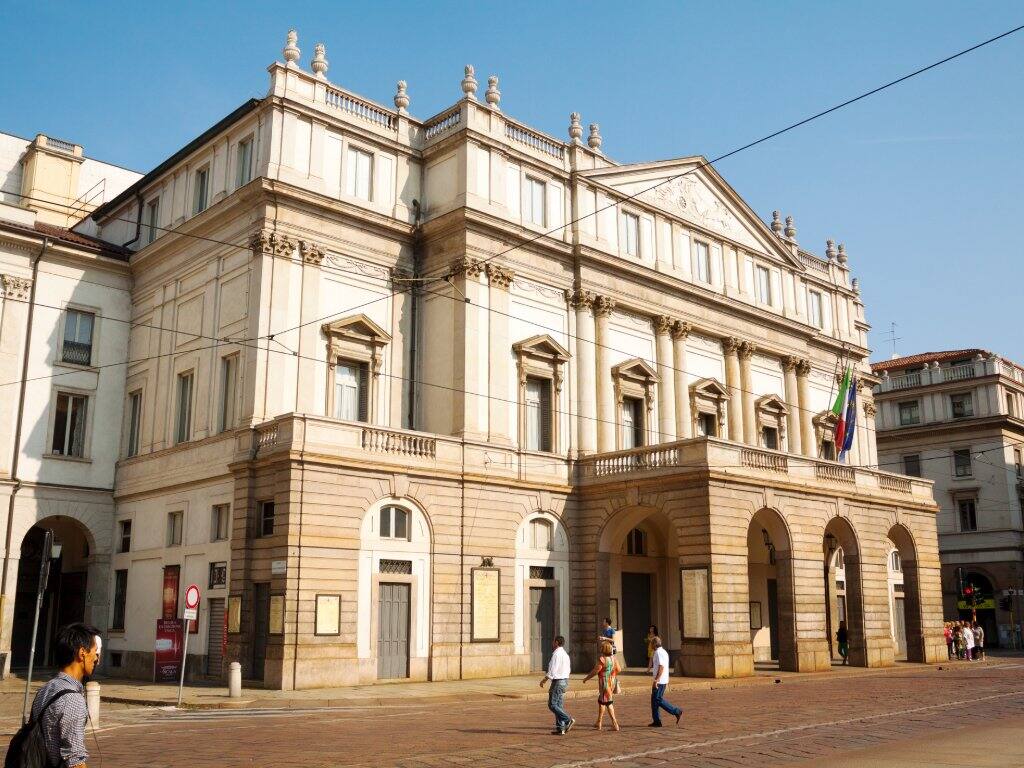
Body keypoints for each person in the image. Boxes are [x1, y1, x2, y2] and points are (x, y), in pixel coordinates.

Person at [29, 622, 100, 768]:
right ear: (82, 653)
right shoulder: (72, 699)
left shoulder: (46, 688)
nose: (96, 659)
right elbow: (75, 760)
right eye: (95, 652)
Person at [539, 635, 574, 735]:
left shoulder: (556, 654)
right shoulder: (565, 654)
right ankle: (561, 728)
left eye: (553, 641)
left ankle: (568, 719)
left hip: (558, 681)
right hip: (565, 680)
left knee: (552, 705)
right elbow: (568, 669)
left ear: (557, 642)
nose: (552, 643)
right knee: (559, 705)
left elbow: (552, 670)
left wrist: (544, 680)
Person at [583, 641, 621, 731]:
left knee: (608, 702)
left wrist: (586, 678)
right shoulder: (614, 659)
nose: (600, 648)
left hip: (604, 682)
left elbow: (595, 671)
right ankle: (599, 722)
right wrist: (611, 673)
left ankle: (615, 724)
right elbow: (619, 669)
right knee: (602, 701)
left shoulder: (602, 659)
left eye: (601, 647)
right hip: (611, 681)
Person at [648, 636, 682, 727]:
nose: (650, 645)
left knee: (657, 699)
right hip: (661, 680)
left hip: (660, 681)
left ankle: (676, 711)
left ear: (654, 644)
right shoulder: (662, 652)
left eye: (651, 643)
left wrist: (657, 680)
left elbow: (661, 666)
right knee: (654, 701)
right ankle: (657, 721)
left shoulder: (659, 652)